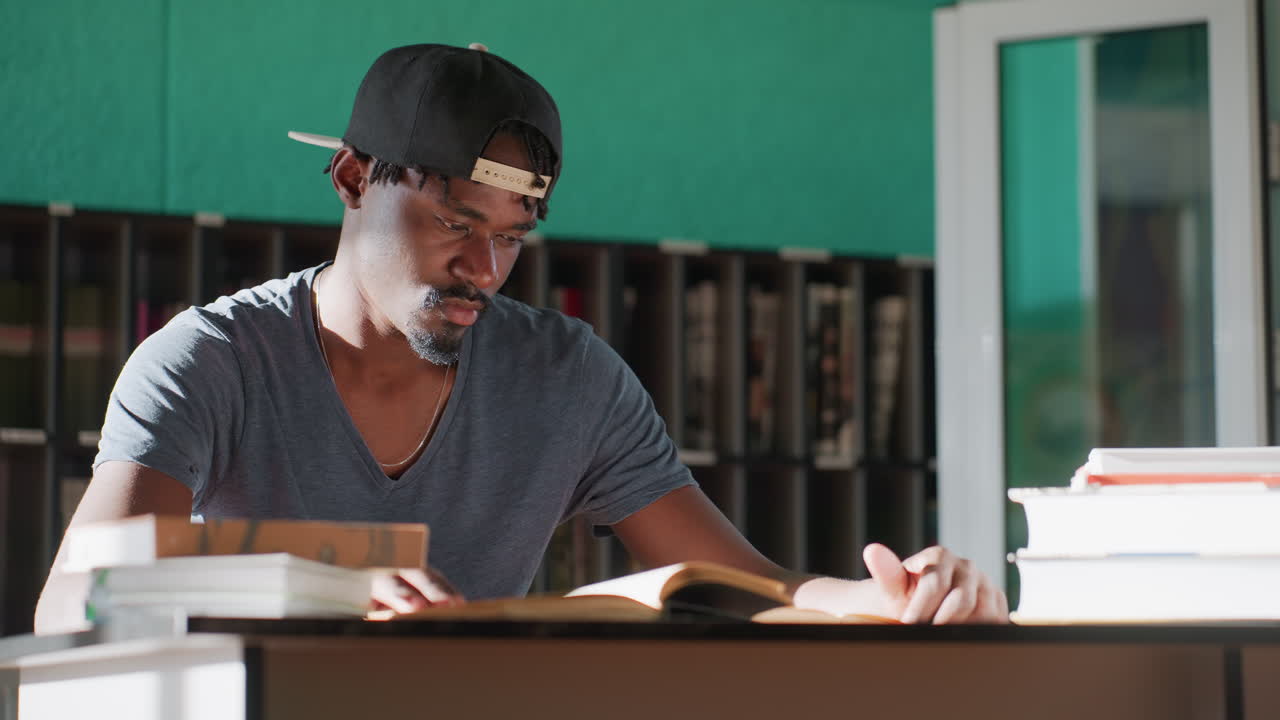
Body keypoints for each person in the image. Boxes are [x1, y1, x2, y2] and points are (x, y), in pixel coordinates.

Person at [35, 42, 1006, 634]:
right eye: (455, 225)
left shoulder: (568, 376)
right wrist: (326, 585)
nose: (485, 271)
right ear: (349, 179)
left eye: (510, 240)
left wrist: (885, 599)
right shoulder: (207, 362)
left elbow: (744, 587)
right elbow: (70, 599)